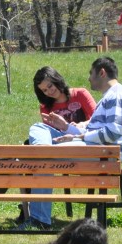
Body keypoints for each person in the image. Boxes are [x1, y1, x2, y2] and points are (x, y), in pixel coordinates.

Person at [21, 67, 98, 230]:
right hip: (57, 145)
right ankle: (43, 152)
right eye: (44, 90)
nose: (48, 91)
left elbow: (97, 120)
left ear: (57, 80)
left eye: (50, 86)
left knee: (38, 159)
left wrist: (78, 125)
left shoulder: (80, 94)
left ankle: (43, 154)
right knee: (37, 127)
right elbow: (49, 132)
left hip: (81, 142)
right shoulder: (46, 106)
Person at [49, 57, 122, 161]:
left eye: (91, 73)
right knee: (40, 138)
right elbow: (97, 131)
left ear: (102, 73)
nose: (89, 78)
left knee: (46, 153)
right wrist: (66, 127)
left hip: (106, 153)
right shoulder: (110, 96)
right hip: (98, 148)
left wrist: (78, 137)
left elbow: (112, 133)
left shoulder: (117, 95)